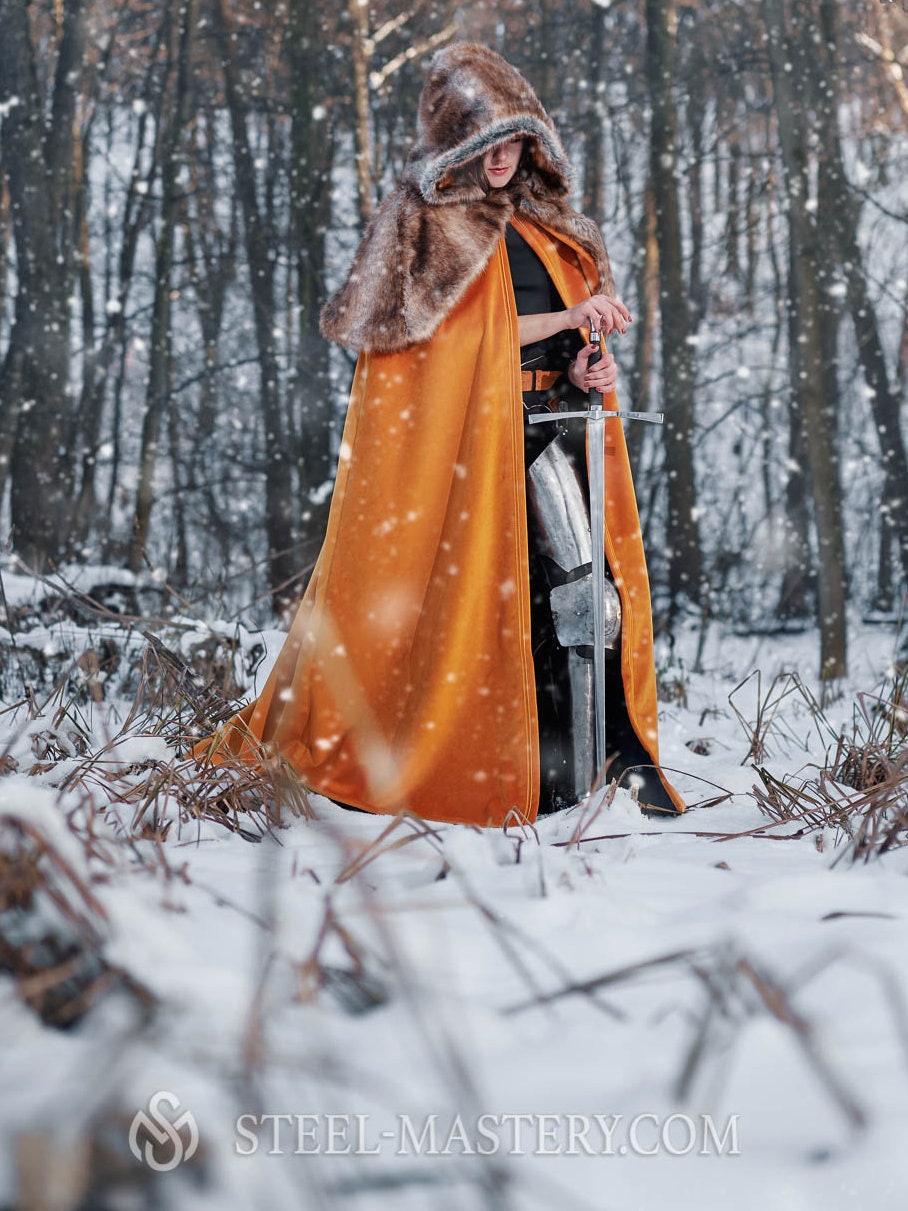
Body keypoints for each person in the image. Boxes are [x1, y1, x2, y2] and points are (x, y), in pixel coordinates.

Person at [193, 42, 683, 825]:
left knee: (592, 599)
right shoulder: (425, 226)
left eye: (515, 140)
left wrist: (585, 363)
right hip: (468, 452)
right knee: (503, 613)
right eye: (487, 141)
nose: (502, 158)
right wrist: (566, 319)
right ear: (458, 141)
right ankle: (525, 777)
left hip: (551, 429)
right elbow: (452, 349)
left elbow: (553, 343)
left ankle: (601, 768)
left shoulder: (551, 228)